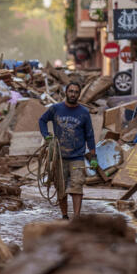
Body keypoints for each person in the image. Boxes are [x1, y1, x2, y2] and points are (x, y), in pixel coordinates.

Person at [38, 82, 96, 220]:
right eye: (71, 91)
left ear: (79, 94)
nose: (73, 94)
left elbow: (90, 135)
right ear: (66, 92)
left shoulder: (84, 113)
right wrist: (46, 135)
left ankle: (76, 218)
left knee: (77, 186)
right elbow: (42, 120)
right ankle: (64, 216)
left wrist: (93, 156)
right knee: (60, 187)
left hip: (77, 157)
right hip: (59, 156)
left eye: (76, 92)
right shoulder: (55, 109)